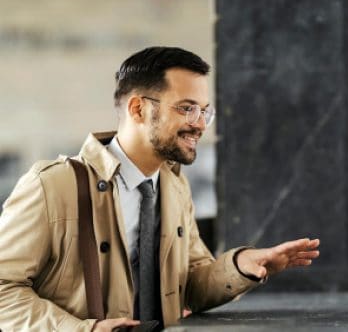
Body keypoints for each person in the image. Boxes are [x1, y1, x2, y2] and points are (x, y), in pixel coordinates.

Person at [0, 47, 320, 331]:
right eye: (186, 108)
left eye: (204, 111)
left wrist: (241, 266)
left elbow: (190, 283)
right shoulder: (51, 186)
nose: (199, 124)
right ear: (138, 109)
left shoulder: (175, 186)